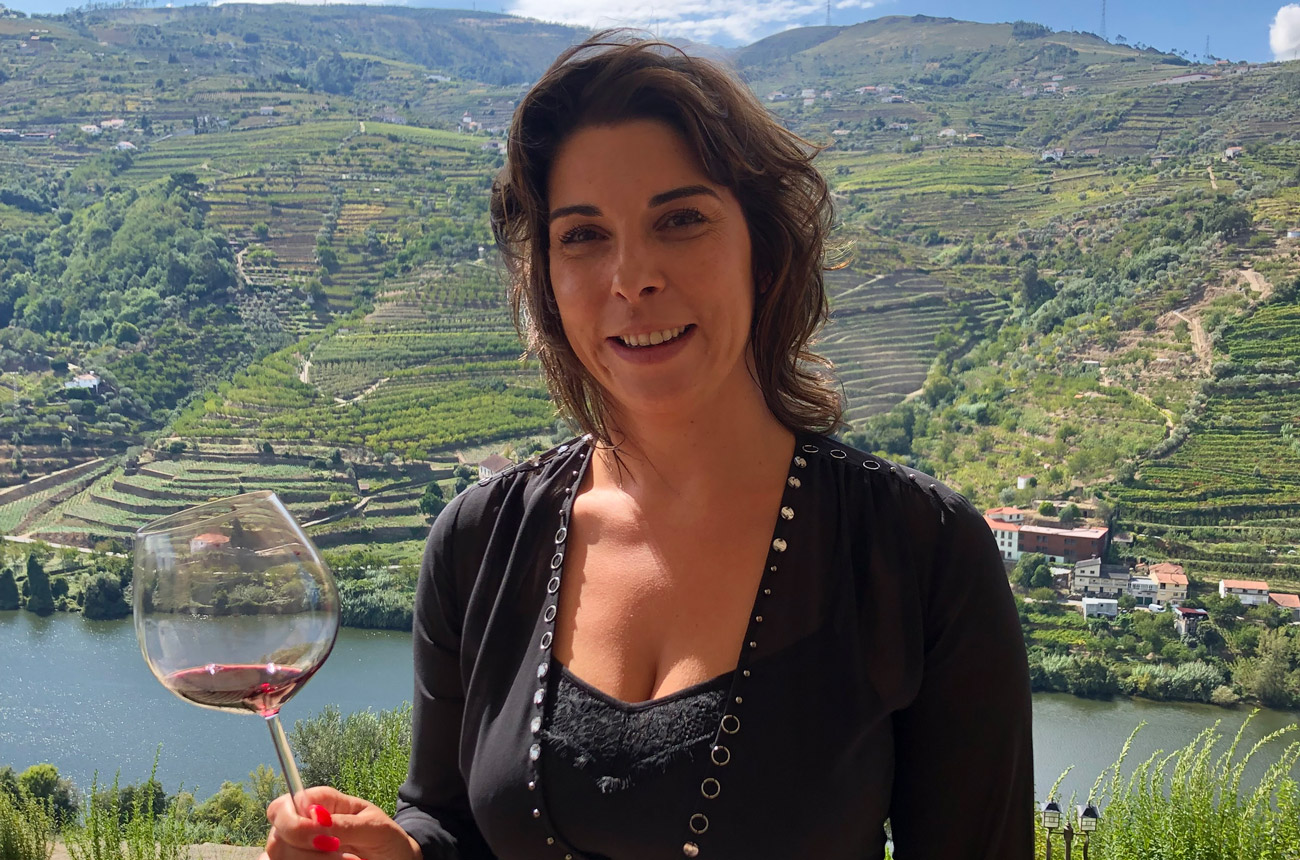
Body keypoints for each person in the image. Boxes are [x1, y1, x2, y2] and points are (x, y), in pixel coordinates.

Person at [263, 32, 1034, 860]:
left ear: (764, 255)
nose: (632, 278)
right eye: (583, 236)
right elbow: (449, 818)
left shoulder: (918, 554)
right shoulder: (480, 542)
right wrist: (400, 850)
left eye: (681, 219)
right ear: (549, 288)